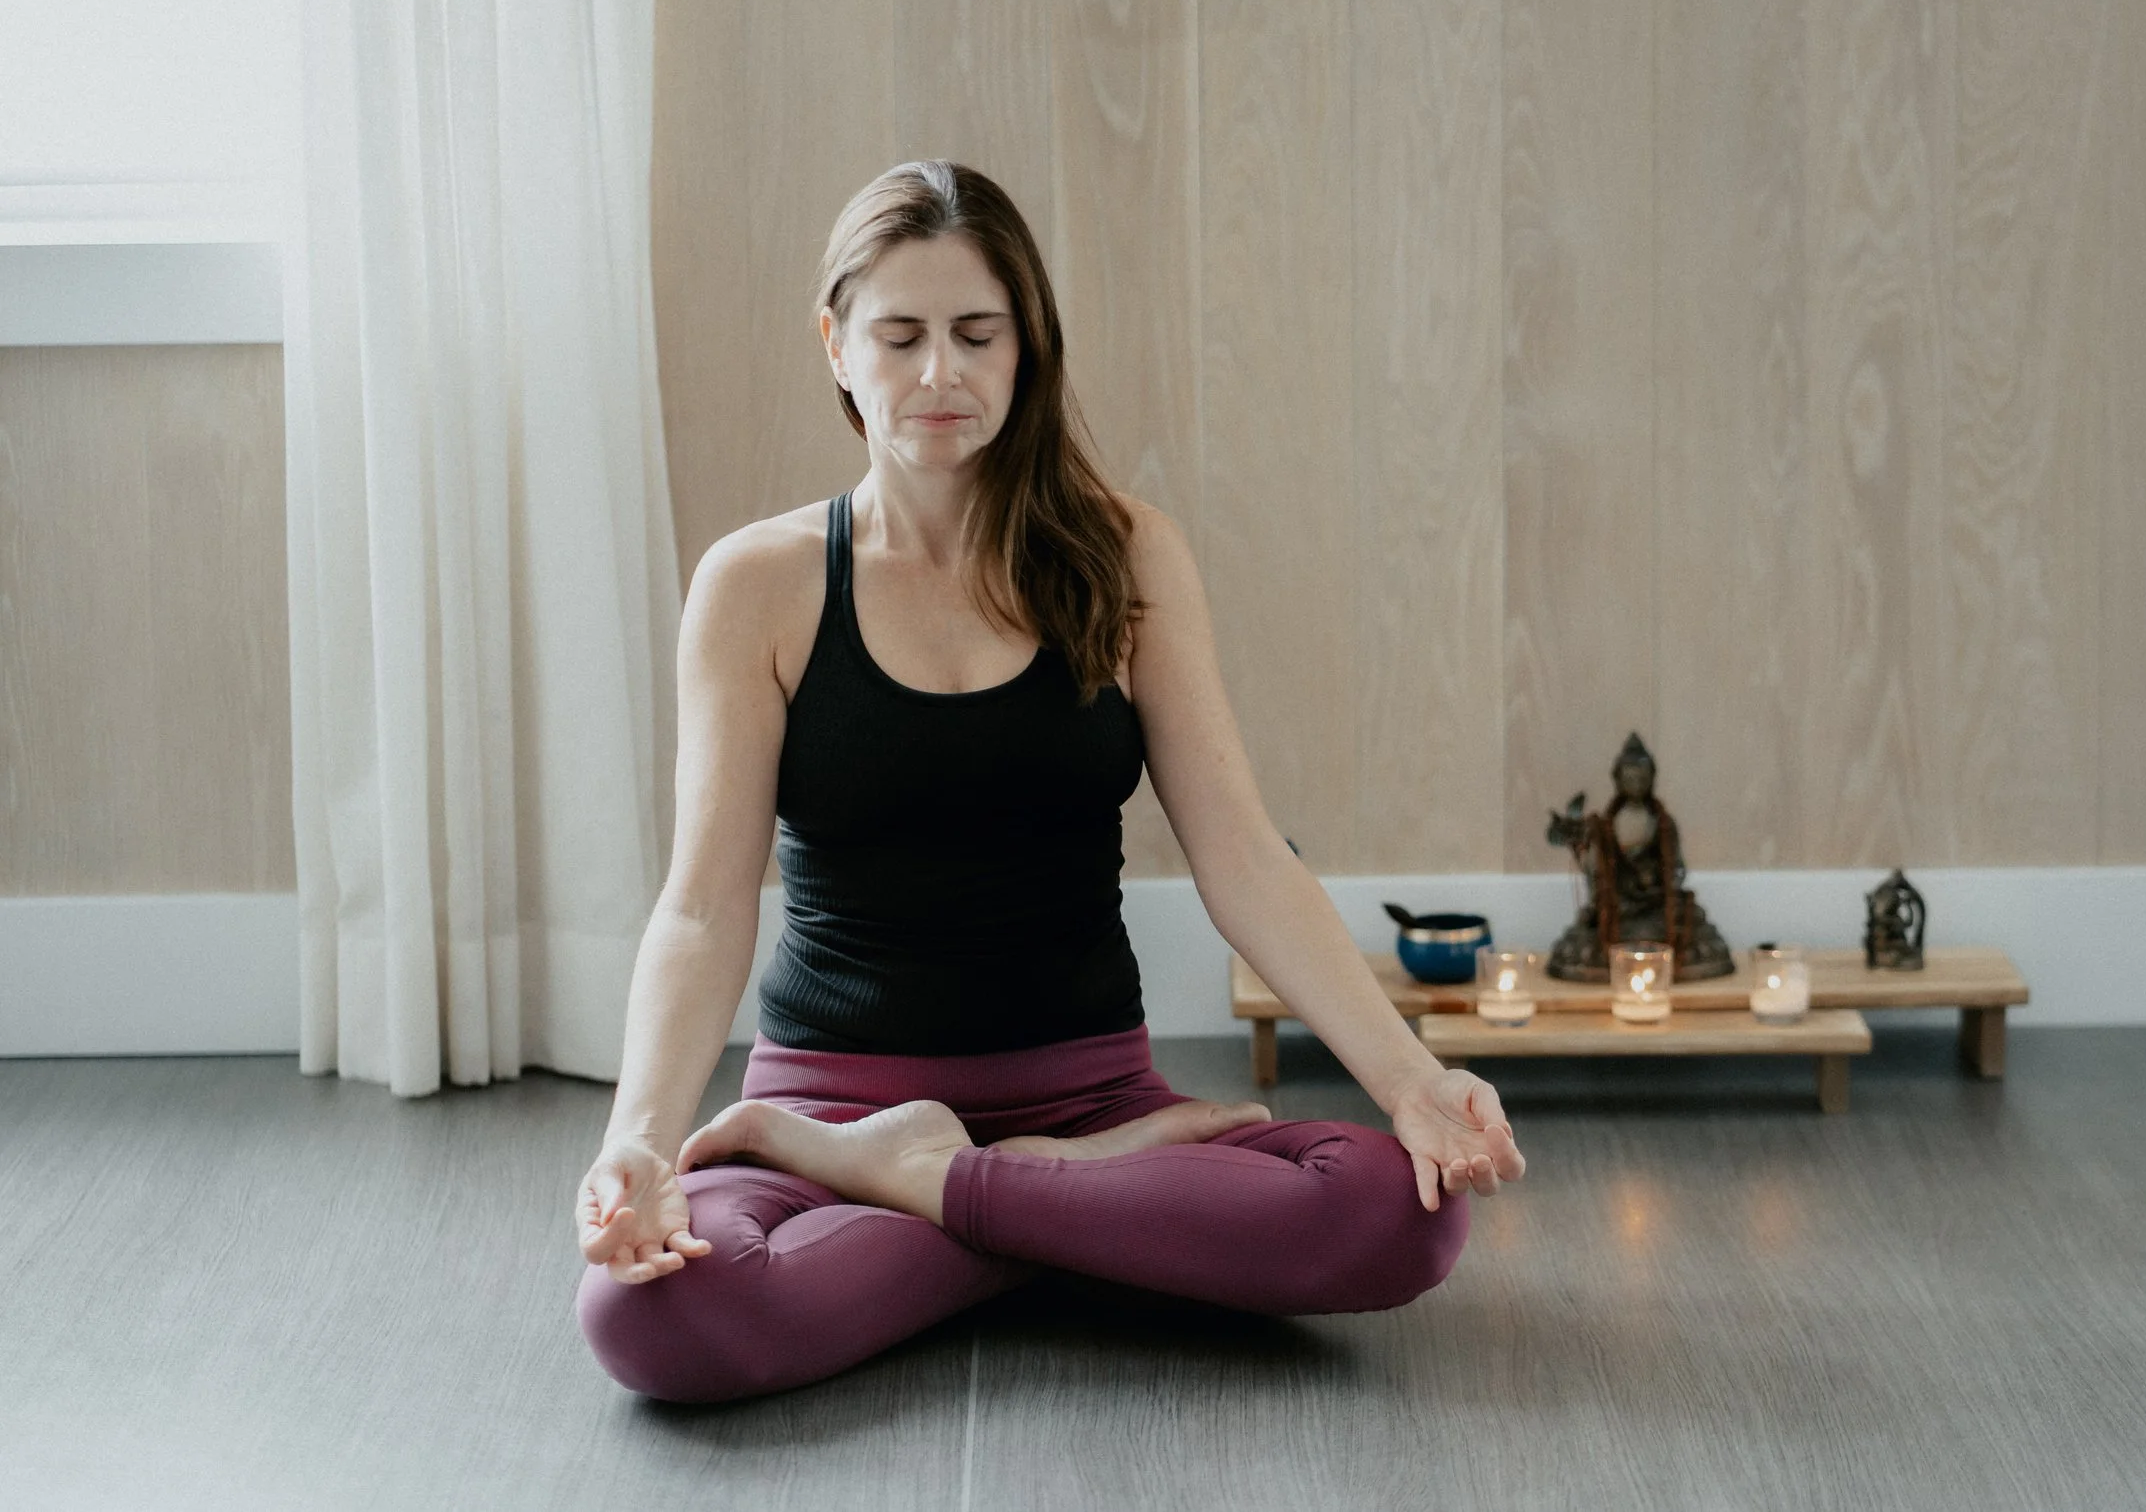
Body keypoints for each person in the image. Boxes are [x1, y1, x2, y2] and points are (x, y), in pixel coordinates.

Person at [573, 161, 1527, 1403]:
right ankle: (1073, 1226)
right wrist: (638, 1138)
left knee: (1405, 1215)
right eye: (899, 335)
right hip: (826, 1113)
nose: (939, 375)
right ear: (835, 343)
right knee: (649, 1315)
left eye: (977, 334)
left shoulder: (1127, 554)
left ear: (1028, 347)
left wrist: (1412, 1080)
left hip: (1092, 1098)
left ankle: (943, 1182)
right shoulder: (759, 583)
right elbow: (703, 904)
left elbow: (1241, 852)